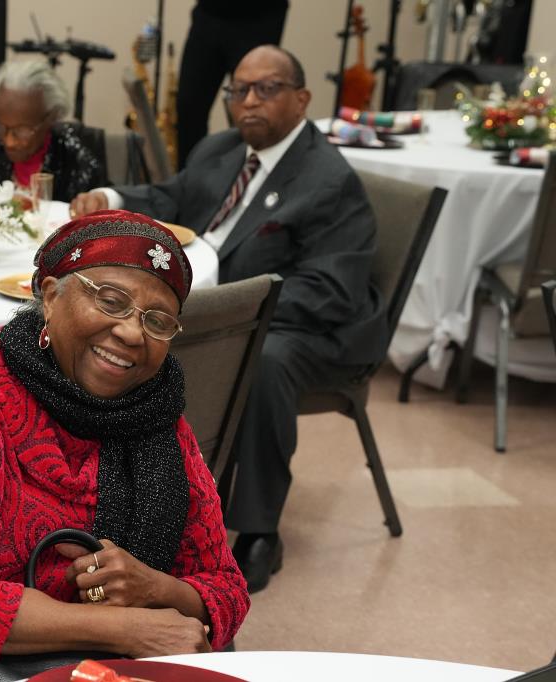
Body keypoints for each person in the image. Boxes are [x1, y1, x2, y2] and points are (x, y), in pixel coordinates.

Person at [0, 210, 249, 679]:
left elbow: (227, 589)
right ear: (51, 296)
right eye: (111, 300)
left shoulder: (158, 419)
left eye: (157, 321)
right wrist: (123, 628)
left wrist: (155, 588)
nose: (131, 332)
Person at [70, 46, 389, 594]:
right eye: (238, 90)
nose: (249, 102)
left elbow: (331, 290)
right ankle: (115, 497)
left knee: (263, 361)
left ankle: (261, 530)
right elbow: (172, 197)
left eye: (266, 89)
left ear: (302, 99)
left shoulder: (328, 180)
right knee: (108, 326)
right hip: (212, 303)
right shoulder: (221, 149)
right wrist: (111, 196)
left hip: (308, 326)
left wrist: (235, 309)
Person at [0, 58, 104, 202]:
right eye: (1, 125)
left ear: (51, 117)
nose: (9, 141)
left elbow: (99, 208)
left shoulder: (74, 158)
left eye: (22, 131)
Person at [176, 1, 289, 169]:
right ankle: (190, 178)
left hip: (259, 18)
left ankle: (251, 178)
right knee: (188, 106)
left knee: (254, 110)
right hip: (209, 12)